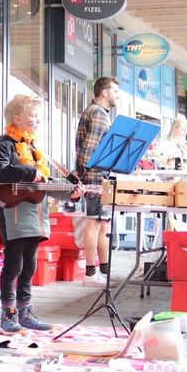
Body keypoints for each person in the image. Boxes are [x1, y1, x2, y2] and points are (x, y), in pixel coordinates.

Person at [0, 94, 83, 333]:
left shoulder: (32, 147)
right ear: (17, 118)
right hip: (15, 214)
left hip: (35, 215)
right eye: (33, 115)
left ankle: (25, 311)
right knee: (14, 264)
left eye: (38, 116)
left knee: (30, 265)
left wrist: (70, 194)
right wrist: (27, 172)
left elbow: (44, 182)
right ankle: (8, 313)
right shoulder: (6, 144)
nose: (37, 120)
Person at [73, 76, 118, 278]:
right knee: (95, 223)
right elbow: (88, 150)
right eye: (115, 91)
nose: (117, 96)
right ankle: (92, 272)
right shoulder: (99, 114)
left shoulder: (94, 112)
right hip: (95, 177)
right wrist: (82, 177)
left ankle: (100, 270)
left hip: (94, 177)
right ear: (105, 92)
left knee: (102, 223)